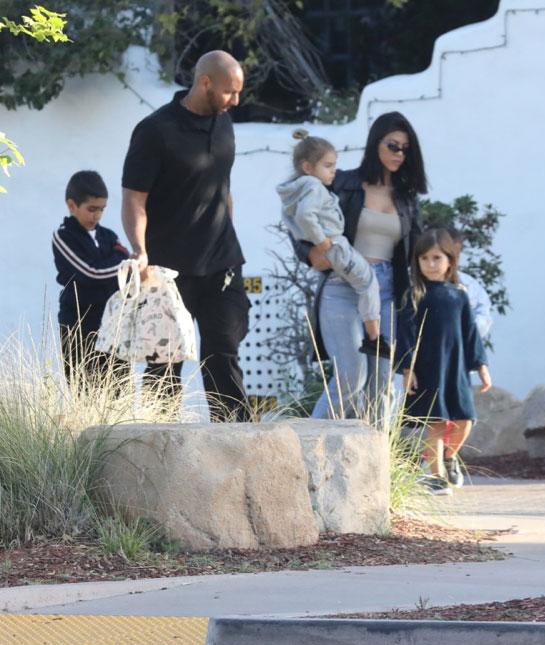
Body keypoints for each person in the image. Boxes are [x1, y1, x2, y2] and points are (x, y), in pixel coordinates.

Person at [121, 50, 251, 422]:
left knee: (222, 353)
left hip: (222, 264)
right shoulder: (155, 131)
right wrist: (139, 251)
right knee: (165, 365)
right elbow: (134, 198)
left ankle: (237, 442)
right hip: (168, 273)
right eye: (229, 92)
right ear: (205, 82)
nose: (235, 101)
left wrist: (227, 231)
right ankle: (158, 446)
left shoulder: (224, 123)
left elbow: (222, 187)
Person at [308, 111, 427, 420]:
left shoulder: (407, 199)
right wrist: (311, 254)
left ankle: (376, 464)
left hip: (387, 292)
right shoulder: (344, 183)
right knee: (349, 376)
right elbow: (305, 215)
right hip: (343, 284)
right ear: (376, 143)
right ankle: (304, 452)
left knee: (381, 386)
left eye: (406, 148)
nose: (400, 154)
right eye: (393, 145)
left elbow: (415, 253)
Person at [397, 227, 492, 496]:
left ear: (450, 260)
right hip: (428, 370)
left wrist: (482, 367)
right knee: (435, 423)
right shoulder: (412, 294)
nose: (430, 264)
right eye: (424, 258)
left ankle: (450, 457)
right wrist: (408, 369)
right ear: (417, 262)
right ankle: (436, 477)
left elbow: (470, 333)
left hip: (456, 370)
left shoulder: (459, 295)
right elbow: (405, 334)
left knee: (466, 419)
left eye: (437, 258)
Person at [277, 131, 381, 348]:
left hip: (331, 245)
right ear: (308, 167)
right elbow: (306, 215)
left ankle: (372, 335)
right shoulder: (314, 187)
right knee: (368, 282)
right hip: (334, 245)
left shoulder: (295, 191)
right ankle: (375, 337)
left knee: (363, 283)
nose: (334, 170)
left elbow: (293, 220)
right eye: (328, 165)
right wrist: (321, 240)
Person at [51, 170, 130, 387]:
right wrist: (120, 263)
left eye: (101, 210)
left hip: (112, 323)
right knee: (84, 386)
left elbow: (124, 261)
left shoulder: (109, 235)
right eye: (91, 209)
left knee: (118, 386)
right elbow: (89, 273)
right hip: (78, 324)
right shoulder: (64, 236)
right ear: (72, 205)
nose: (96, 216)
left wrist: (120, 263)